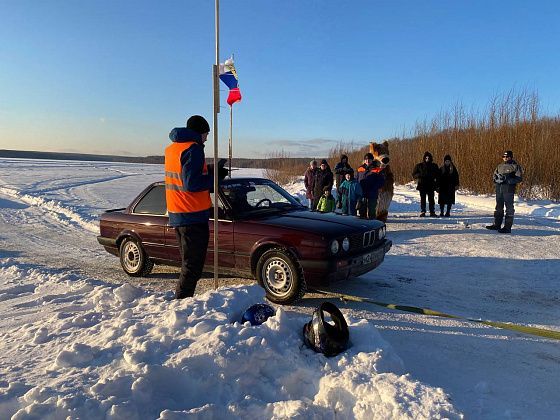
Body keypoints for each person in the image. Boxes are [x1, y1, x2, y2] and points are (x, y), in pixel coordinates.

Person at [165, 115, 227, 299]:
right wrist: (216, 178)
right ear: (199, 133)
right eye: (206, 134)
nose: (207, 138)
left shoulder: (173, 149)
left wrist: (210, 169)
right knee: (193, 267)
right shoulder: (194, 149)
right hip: (192, 215)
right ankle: (181, 305)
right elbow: (191, 183)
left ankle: (183, 303)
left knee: (189, 265)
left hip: (179, 213)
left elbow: (185, 171)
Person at [486, 150, 523, 233]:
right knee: (498, 207)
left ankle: (507, 227)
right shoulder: (499, 166)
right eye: (504, 157)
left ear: (511, 157)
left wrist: (507, 180)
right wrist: (496, 179)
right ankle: (496, 225)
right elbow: (494, 175)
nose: (505, 158)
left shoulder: (515, 166)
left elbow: (519, 178)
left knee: (509, 208)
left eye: (507, 157)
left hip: (509, 190)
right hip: (499, 189)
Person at [356, 153, 385, 220]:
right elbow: (356, 180)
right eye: (366, 159)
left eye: (369, 159)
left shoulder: (377, 169)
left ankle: (372, 226)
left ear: (372, 160)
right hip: (362, 193)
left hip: (372, 193)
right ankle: (363, 227)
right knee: (362, 211)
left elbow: (381, 181)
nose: (367, 161)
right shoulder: (360, 169)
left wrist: (374, 188)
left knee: (371, 211)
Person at [412, 151, 440, 217]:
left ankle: (432, 212)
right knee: (423, 199)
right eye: (426, 158)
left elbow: (438, 175)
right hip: (422, 185)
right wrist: (420, 175)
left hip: (431, 185)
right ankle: (423, 211)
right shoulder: (419, 166)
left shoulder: (434, 166)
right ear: (424, 158)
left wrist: (437, 184)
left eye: (428, 158)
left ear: (431, 158)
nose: (427, 159)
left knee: (431, 199)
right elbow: (414, 174)